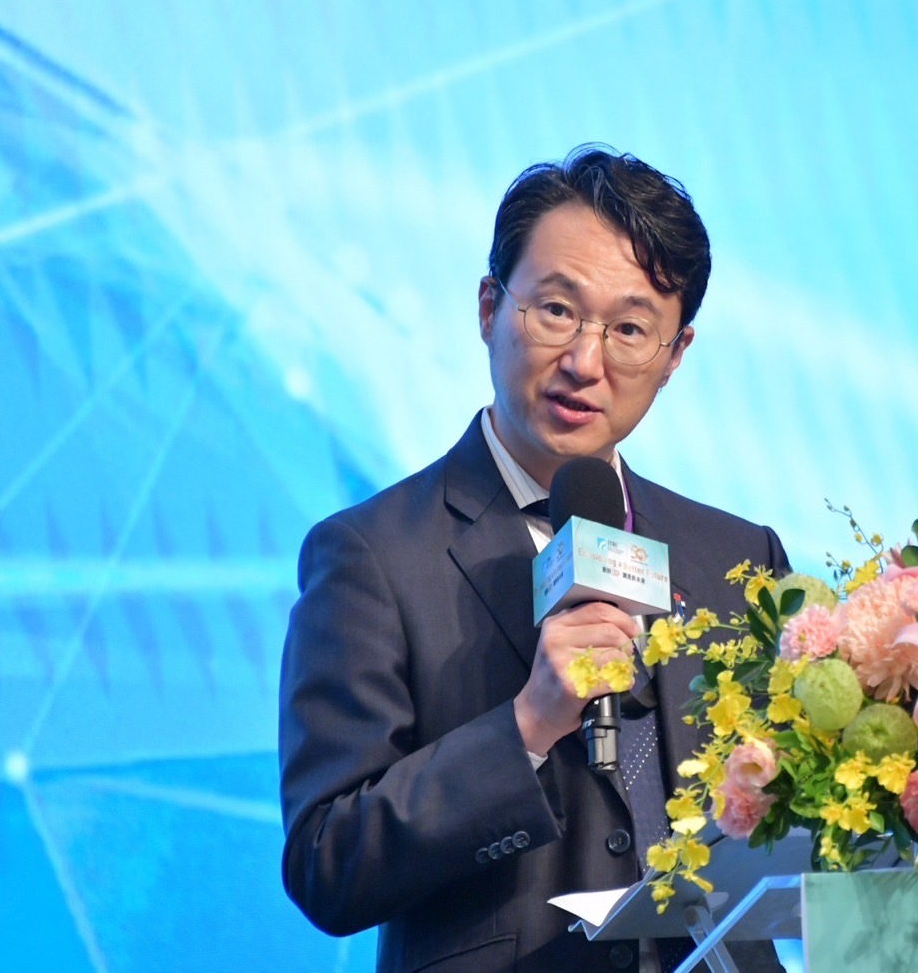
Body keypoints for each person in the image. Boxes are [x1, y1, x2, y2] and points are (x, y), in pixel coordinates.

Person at [279, 145, 791, 972]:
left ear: (675, 355)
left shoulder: (738, 554)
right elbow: (326, 864)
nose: (585, 362)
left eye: (630, 330)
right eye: (556, 311)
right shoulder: (373, 555)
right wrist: (526, 726)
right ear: (490, 307)